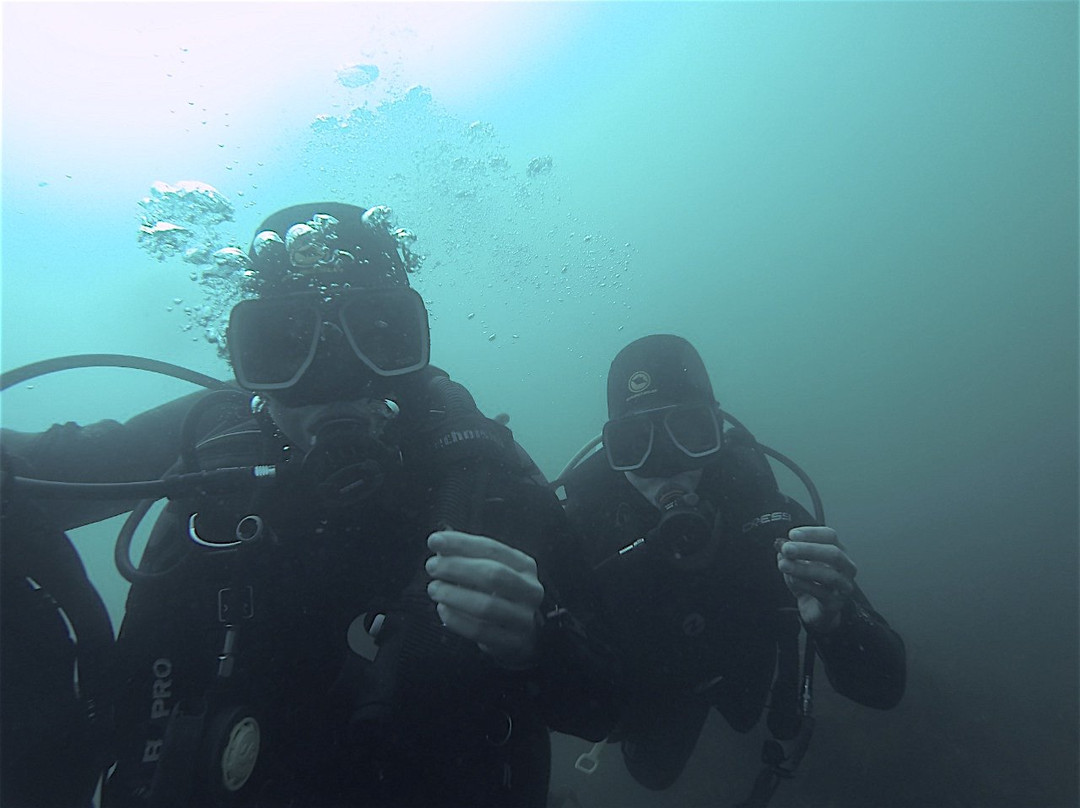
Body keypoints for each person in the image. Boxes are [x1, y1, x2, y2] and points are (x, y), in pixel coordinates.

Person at [0, 202, 617, 808]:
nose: (336, 383)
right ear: (246, 368)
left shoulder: (477, 468)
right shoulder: (219, 436)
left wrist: (537, 644)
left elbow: (611, 703)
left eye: (376, 338)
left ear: (411, 349)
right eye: (285, 347)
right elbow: (46, 467)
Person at [556, 334, 906, 799]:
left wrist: (838, 624)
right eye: (634, 443)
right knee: (654, 775)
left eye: (691, 433)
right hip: (653, 690)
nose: (664, 465)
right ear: (611, 452)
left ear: (718, 434)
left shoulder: (771, 522)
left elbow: (885, 689)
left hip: (742, 666)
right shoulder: (583, 532)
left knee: (745, 718)